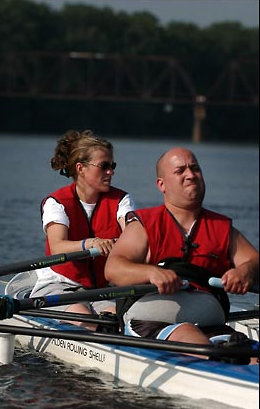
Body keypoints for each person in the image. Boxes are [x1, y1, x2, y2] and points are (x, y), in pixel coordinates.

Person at [104, 147, 259, 360]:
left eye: (195, 168)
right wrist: (151, 273)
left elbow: (254, 260)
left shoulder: (222, 228)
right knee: (191, 336)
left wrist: (245, 271)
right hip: (151, 323)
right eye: (180, 171)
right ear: (162, 184)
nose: (190, 175)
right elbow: (113, 269)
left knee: (252, 354)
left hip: (211, 325)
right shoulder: (143, 225)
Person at [30, 129, 136, 330]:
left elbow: (133, 232)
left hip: (103, 289)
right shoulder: (56, 203)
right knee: (86, 320)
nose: (110, 172)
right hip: (61, 285)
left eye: (112, 166)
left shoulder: (122, 200)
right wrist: (91, 243)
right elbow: (57, 247)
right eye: (104, 166)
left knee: (118, 322)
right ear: (81, 168)